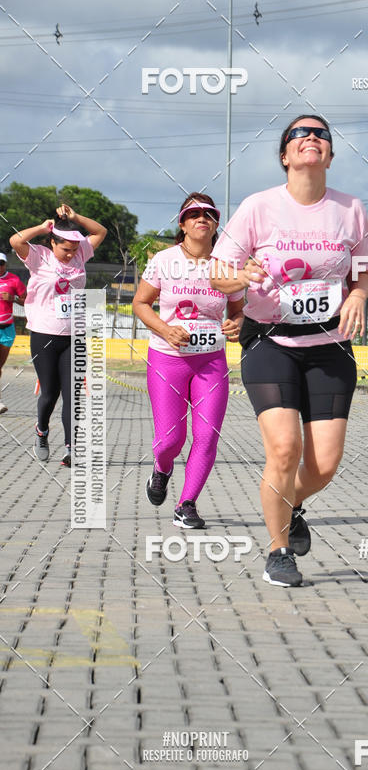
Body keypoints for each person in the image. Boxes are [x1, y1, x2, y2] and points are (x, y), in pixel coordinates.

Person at [210, 115, 368, 587]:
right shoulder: (258, 207)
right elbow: (218, 274)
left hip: (330, 347)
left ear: (330, 155)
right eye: (300, 133)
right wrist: (240, 277)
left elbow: (361, 274)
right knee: (284, 449)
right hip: (270, 342)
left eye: (321, 134)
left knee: (322, 466)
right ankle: (278, 551)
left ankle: (291, 502)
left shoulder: (351, 209)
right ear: (285, 155)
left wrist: (359, 296)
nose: (311, 138)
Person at [132, 193, 244, 528]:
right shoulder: (164, 260)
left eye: (209, 213)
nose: (201, 218)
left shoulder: (227, 266)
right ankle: (162, 468)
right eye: (193, 213)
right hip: (168, 359)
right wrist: (165, 330)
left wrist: (236, 324)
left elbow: (238, 311)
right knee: (171, 440)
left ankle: (187, 505)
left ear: (216, 224)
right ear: (182, 224)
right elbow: (140, 303)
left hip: (211, 362)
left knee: (207, 436)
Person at [9, 205, 107, 465]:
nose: (70, 254)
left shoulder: (81, 253)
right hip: (45, 334)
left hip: (75, 335)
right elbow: (15, 240)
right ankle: (41, 430)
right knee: (50, 393)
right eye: (65, 249)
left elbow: (100, 231)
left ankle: (71, 448)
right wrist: (43, 227)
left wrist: (76, 218)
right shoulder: (38, 256)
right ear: (52, 242)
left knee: (73, 394)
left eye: (74, 249)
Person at [0, 251, 27, 414]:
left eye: (1, 263)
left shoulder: (13, 280)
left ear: (5, 264)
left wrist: (13, 298)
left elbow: (27, 300)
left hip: (6, 328)